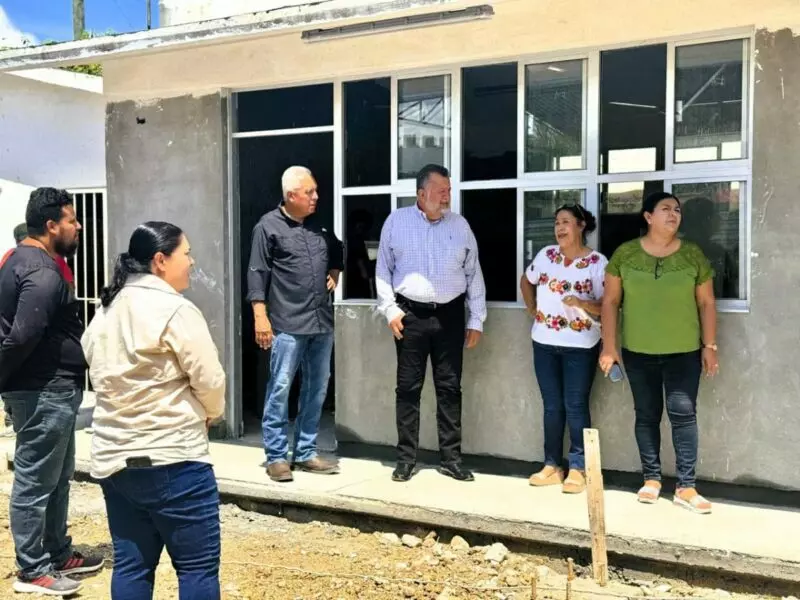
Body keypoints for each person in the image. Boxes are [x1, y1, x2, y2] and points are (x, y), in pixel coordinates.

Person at [82, 222, 226, 600]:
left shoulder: (105, 310)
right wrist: (210, 413)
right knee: (196, 569)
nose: (192, 262)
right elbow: (210, 379)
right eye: (186, 254)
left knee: (132, 568)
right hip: (174, 460)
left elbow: (96, 368)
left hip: (116, 461)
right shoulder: (175, 310)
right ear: (160, 260)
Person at [0, 188, 103, 596]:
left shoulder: (23, 260)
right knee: (35, 481)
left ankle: (57, 552)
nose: (79, 227)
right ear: (50, 225)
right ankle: (32, 570)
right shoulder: (41, 271)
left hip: (51, 390)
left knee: (57, 478)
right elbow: (22, 336)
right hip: (42, 391)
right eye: (72, 220)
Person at [600, 192, 719, 514]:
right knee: (646, 414)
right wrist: (608, 347)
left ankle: (686, 486)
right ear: (648, 217)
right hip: (638, 352)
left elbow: (707, 303)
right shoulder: (625, 254)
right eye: (665, 209)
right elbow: (610, 302)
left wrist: (709, 346)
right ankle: (651, 478)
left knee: (683, 414)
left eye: (677, 210)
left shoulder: (693, 255)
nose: (673, 214)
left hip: (684, 352)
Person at [376, 164, 487, 483]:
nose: (447, 196)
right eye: (441, 190)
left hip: (450, 316)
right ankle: (405, 460)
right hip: (409, 316)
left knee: (450, 387)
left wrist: (476, 317)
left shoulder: (460, 225)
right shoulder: (396, 222)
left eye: (449, 190)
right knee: (408, 388)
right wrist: (390, 310)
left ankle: (451, 459)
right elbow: (383, 270)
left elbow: (473, 273)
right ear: (421, 193)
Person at [247, 166, 344, 483]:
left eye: (315, 191)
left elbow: (338, 249)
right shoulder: (267, 227)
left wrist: (335, 273)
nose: (316, 197)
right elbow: (257, 273)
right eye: (309, 192)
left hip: (321, 322)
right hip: (287, 323)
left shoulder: (320, 224)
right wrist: (260, 316)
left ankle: (305, 452)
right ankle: (276, 456)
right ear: (291, 196)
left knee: (317, 388)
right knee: (280, 388)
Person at [520, 205, 607, 494]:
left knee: (576, 405)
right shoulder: (546, 256)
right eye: (557, 222)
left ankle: (579, 468)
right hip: (544, 342)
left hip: (581, 346)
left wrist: (581, 303)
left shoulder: (597, 263)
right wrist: (532, 307)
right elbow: (526, 280)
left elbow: (607, 306)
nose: (559, 227)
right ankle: (552, 465)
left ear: (581, 225)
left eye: (566, 222)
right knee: (552, 406)